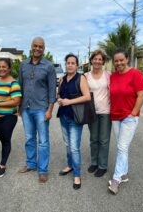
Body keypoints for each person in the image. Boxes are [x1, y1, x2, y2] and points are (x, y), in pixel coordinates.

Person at [108, 49, 143, 194]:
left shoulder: (135, 74)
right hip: (115, 116)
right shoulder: (113, 76)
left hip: (128, 118)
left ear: (127, 59)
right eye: (116, 61)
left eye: (121, 60)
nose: (119, 63)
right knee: (121, 146)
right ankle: (124, 173)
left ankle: (116, 179)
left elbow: (141, 95)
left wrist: (133, 113)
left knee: (122, 147)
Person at [18, 37, 56, 183]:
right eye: (35, 46)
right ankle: (31, 164)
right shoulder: (23, 65)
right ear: (31, 46)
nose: (38, 49)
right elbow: (20, 87)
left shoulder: (49, 66)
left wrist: (50, 110)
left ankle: (43, 170)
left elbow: (52, 90)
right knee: (29, 138)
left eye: (41, 46)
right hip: (26, 109)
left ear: (44, 48)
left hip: (41, 108)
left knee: (43, 141)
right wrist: (19, 108)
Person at [57, 53, 91, 190]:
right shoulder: (62, 79)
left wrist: (69, 101)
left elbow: (87, 96)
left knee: (74, 147)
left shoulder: (80, 78)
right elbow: (59, 94)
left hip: (75, 117)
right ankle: (70, 165)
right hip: (64, 115)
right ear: (65, 64)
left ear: (77, 65)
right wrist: (59, 99)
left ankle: (77, 174)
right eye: (68, 63)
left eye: (73, 63)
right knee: (67, 144)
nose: (70, 65)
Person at [84, 50, 112, 178]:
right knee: (94, 139)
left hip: (106, 112)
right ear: (91, 60)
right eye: (95, 59)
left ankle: (102, 166)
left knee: (104, 140)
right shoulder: (85, 76)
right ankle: (94, 162)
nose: (97, 61)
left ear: (103, 62)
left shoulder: (108, 75)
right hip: (92, 112)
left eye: (100, 59)